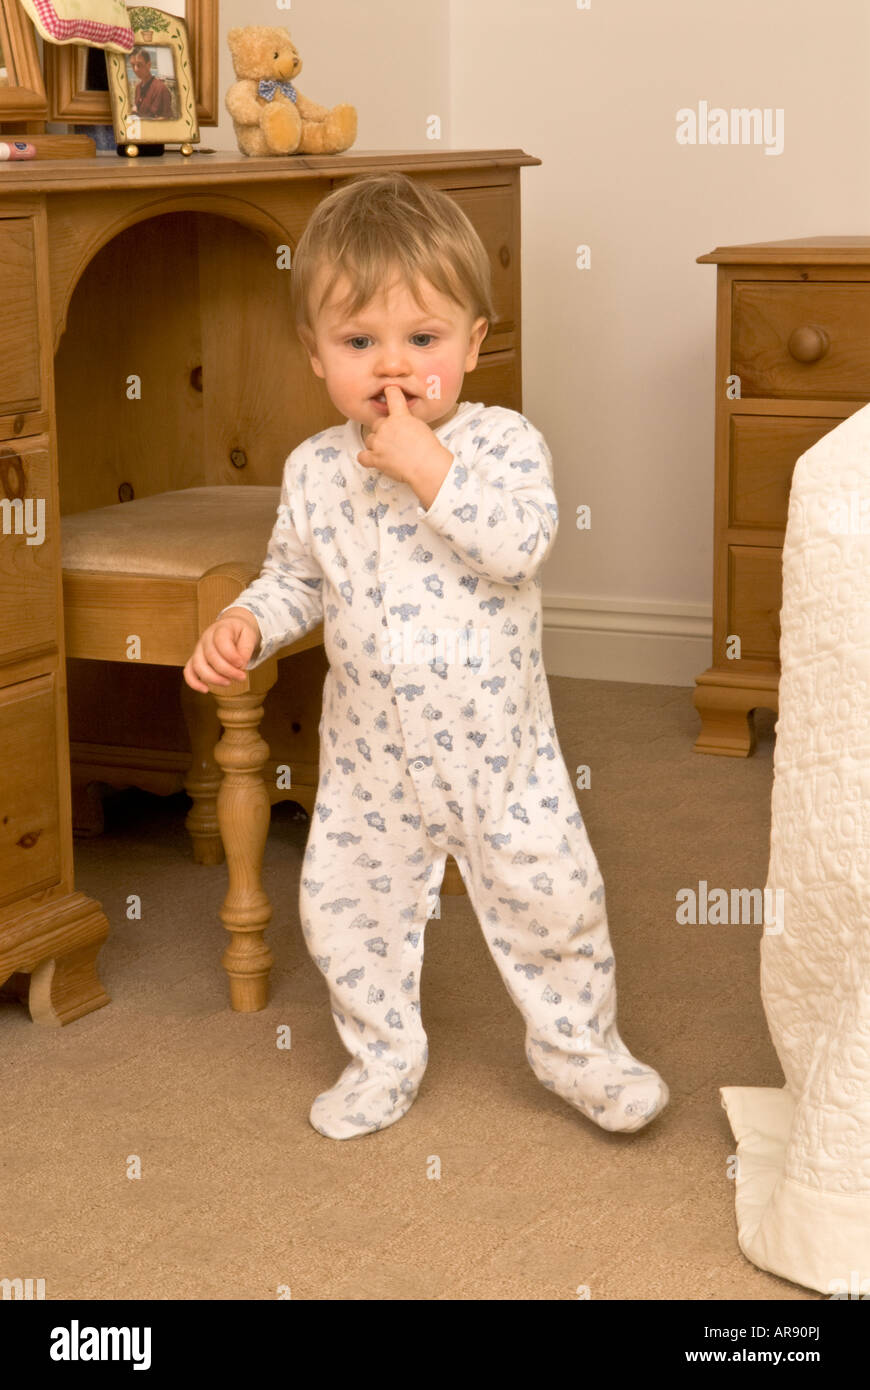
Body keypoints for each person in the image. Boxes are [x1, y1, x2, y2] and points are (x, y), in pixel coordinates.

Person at [183, 173, 669, 1141]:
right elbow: (298, 578)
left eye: (422, 340)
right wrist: (245, 620)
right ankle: (382, 1054)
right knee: (343, 907)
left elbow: (519, 543)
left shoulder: (501, 445)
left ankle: (581, 1053)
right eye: (359, 343)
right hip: (371, 760)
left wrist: (427, 467)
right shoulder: (316, 468)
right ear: (315, 354)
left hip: (503, 757)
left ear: (473, 344)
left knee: (555, 900)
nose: (392, 367)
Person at [129, 47, 172, 120]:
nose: (135, 69)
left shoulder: (161, 89)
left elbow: (167, 118)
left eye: (139, 65)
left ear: (148, 65)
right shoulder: (138, 88)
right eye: (133, 65)